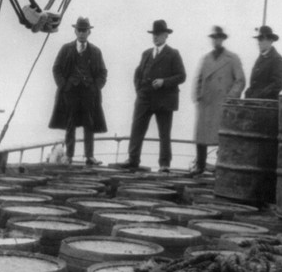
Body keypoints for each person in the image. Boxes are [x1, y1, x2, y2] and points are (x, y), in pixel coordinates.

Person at [120, 19, 187, 173]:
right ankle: (133, 159)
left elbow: (182, 76)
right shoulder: (146, 54)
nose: (155, 37)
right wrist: (139, 90)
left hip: (164, 99)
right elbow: (137, 74)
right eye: (153, 34)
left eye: (158, 34)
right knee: (137, 128)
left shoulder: (173, 54)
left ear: (165, 35)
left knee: (164, 133)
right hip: (144, 98)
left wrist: (164, 82)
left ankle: (164, 164)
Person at [48, 16, 108, 165]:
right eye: (79, 30)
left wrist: (95, 88)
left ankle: (89, 156)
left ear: (89, 32)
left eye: (85, 30)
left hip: (89, 93)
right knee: (70, 123)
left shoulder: (96, 51)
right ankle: (69, 156)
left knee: (89, 123)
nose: (82, 33)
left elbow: (103, 72)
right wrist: (64, 86)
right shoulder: (66, 49)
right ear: (75, 31)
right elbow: (56, 68)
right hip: (70, 93)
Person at [191, 25, 245, 174]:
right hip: (206, 102)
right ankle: (200, 166)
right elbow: (199, 79)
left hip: (222, 103)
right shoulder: (206, 58)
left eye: (219, 38)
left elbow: (240, 80)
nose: (216, 41)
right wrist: (197, 96)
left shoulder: (232, 58)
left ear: (223, 39)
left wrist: (230, 99)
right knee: (201, 136)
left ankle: (221, 168)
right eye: (214, 38)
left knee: (221, 137)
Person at [243, 25, 282, 100]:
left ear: (270, 41)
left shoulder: (277, 59)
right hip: (254, 103)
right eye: (258, 39)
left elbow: (278, 83)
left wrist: (260, 95)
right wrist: (248, 93)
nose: (258, 43)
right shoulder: (260, 59)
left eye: (261, 39)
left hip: (267, 106)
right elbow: (254, 83)